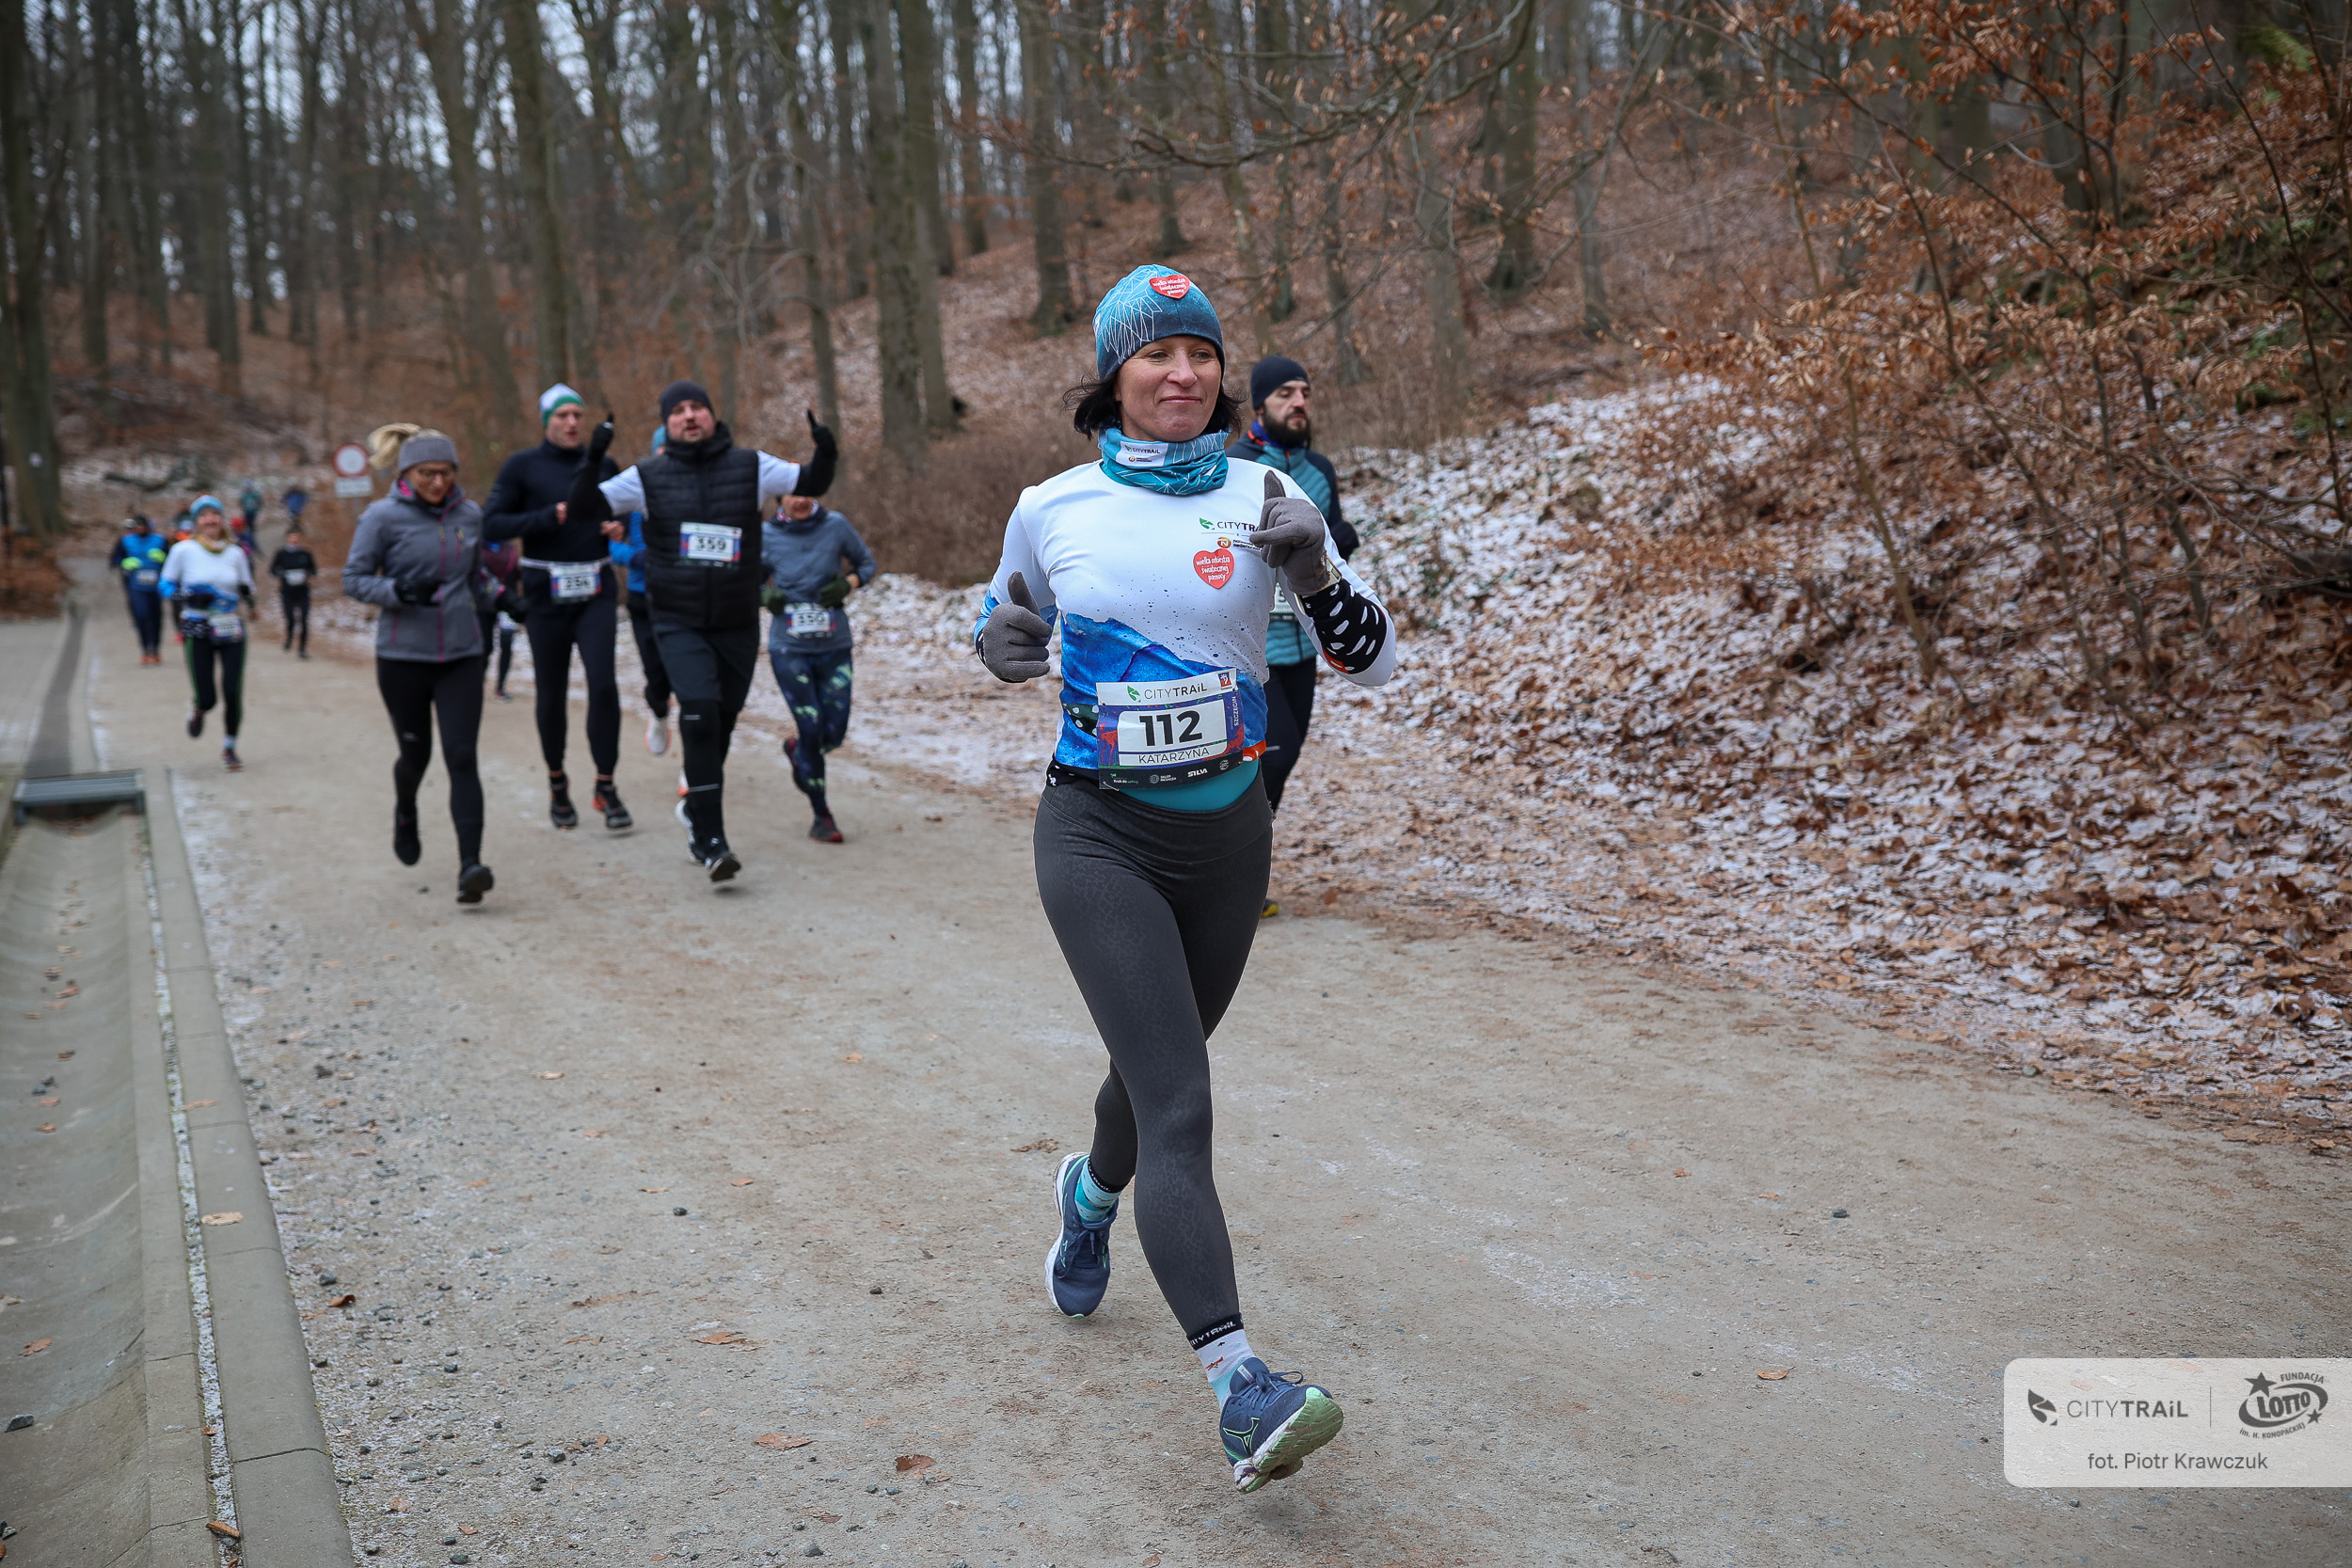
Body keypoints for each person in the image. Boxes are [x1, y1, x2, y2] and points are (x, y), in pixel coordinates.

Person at [972, 266, 1398, 1494]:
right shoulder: (1053, 505)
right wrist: (995, 641)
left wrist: (1318, 579)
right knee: (1181, 1100)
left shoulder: (1270, 491)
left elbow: (1372, 660)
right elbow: (1001, 621)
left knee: (1149, 1076)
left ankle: (1089, 1194)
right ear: (1113, 374)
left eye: (1201, 352)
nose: (1182, 372)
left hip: (1229, 837)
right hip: (1097, 835)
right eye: (1156, 353)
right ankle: (1239, 1384)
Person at [566, 381, 836, 882]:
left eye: (698, 408)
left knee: (722, 723)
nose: (689, 416)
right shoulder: (646, 476)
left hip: (736, 621)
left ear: (713, 416)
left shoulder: (752, 466)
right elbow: (583, 509)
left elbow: (812, 480)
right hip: (678, 619)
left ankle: (696, 807)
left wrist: (826, 447)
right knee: (699, 715)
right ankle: (712, 839)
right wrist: (594, 456)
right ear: (667, 423)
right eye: (679, 411)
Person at [1225, 356, 1362, 916]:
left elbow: (1333, 547)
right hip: (1251, 642)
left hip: (1305, 642)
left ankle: (1242, 875)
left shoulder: (1319, 470)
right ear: (1260, 406)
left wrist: (1339, 538)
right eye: (1285, 393)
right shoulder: (1235, 468)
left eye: (1304, 392)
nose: (1299, 402)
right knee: (1267, 759)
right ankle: (1231, 881)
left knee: (1281, 760)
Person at [343, 424, 498, 905]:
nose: (438, 482)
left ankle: (470, 866)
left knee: (462, 757)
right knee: (416, 757)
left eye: (446, 473)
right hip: (403, 657)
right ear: (407, 473)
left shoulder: (470, 515)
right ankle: (405, 809)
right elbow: (354, 579)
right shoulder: (381, 518)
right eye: (428, 473)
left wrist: (503, 597)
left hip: (462, 654)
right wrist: (397, 591)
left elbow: (475, 576)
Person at [482, 383, 630, 832]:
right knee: (552, 692)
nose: (572, 423)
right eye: (562, 416)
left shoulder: (604, 464)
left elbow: (625, 511)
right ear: (546, 421)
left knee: (603, 685)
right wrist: (548, 517)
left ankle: (606, 785)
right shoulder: (523, 466)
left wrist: (618, 526)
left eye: (577, 415)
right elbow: (492, 523)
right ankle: (557, 782)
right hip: (545, 589)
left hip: (595, 587)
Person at [760, 494, 877, 843]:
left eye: (808, 493)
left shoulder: (835, 525)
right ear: (781, 497)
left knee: (833, 731)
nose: (801, 500)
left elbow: (866, 564)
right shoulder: (766, 534)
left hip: (834, 645)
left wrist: (847, 584)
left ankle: (799, 753)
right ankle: (821, 815)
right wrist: (764, 595)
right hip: (789, 647)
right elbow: (745, 579)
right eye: (794, 493)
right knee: (810, 727)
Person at [161, 497, 258, 771]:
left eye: (214, 514)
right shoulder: (183, 550)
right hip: (197, 626)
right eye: (203, 515)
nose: (210, 519)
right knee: (208, 696)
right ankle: (199, 710)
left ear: (222, 519)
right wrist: (188, 596)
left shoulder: (235, 553)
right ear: (196, 521)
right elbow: (165, 586)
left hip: (229, 626)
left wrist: (247, 596)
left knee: (232, 690)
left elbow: (247, 587)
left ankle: (230, 747)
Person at [607, 429, 674, 756]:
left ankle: (697, 766)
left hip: (685, 597)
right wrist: (635, 558)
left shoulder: (702, 490)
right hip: (642, 597)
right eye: (663, 450)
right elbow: (607, 543)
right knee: (657, 677)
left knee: (692, 679)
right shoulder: (633, 490)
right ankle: (659, 712)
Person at [114, 515, 169, 664]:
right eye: (137, 526)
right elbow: (115, 559)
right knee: (142, 615)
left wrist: (163, 557)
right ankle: (145, 649)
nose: (140, 529)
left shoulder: (160, 540)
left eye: (143, 526)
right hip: (136, 586)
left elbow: (172, 559)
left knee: (156, 617)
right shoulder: (126, 541)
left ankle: (155, 649)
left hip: (155, 586)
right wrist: (126, 562)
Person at [269, 525, 318, 657]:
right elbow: (272, 569)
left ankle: (302, 649)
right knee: (290, 618)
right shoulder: (281, 554)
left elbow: (314, 569)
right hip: (287, 591)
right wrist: (282, 574)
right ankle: (289, 637)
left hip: (303, 591)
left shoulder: (305, 554)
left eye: (297, 536)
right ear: (287, 538)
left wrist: (308, 575)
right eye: (292, 536)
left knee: (304, 619)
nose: (294, 539)